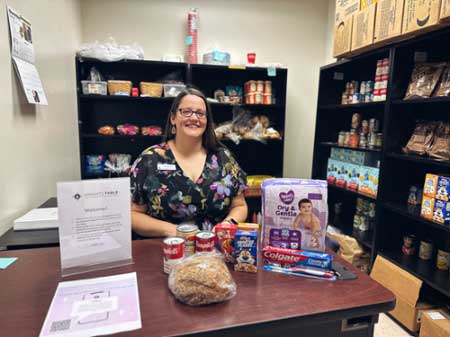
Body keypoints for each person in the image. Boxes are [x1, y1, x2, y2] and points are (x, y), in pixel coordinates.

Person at [130, 88, 248, 237]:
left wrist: (227, 225)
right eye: (186, 111)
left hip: (213, 251)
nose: (194, 118)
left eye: (200, 113)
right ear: (173, 118)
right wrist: (175, 231)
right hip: (167, 250)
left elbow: (240, 205)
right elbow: (133, 214)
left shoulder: (223, 158)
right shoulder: (150, 159)